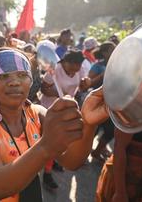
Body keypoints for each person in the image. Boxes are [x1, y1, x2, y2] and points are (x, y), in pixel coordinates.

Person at [0, 48, 108, 201]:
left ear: (30, 81)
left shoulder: (37, 114)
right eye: (3, 76)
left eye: (22, 75)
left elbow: (72, 161)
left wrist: (89, 123)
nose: (15, 82)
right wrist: (46, 145)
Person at [40, 49, 90, 189]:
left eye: (79, 66)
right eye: (74, 65)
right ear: (66, 62)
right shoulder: (54, 70)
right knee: (51, 141)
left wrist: (86, 83)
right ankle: (47, 175)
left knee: (60, 141)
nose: (76, 69)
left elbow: (81, 85)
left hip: (67, 110)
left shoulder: (79, 71)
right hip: (50, 110)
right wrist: (57, 93)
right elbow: (44, 89)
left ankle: (54, 162)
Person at [88, 41, 116, 162]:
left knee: (110, 131)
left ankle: (97, 152)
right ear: (104, 53)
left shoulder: (118, 66)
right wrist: (103, 75)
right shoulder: (97, 66)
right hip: (98, 102)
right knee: (93, 131)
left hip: (111, 104)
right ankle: (82, 154)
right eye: (111, 50)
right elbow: (89, 83)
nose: (115, 52)